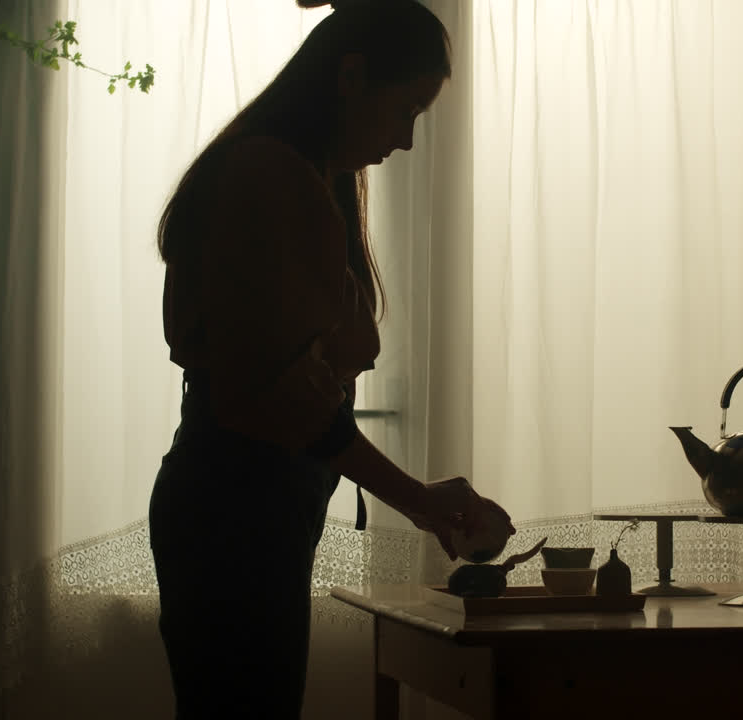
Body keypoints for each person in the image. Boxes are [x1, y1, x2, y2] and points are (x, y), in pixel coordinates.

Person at [148, 0, 514, 717]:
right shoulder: (267, 174)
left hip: (250, 505)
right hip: (237, 509)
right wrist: (418, 500)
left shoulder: (302, 176)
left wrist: (420, 499)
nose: (406, 140)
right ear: (350, 76)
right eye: (406, 108)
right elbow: (272, 395)